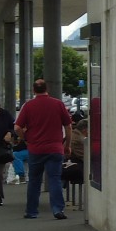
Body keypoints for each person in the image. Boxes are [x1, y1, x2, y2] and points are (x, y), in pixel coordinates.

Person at [14, 78, 73, 220]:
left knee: (34, 180)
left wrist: (25, 138)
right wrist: (67, 145)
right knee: (54, 179)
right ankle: (58, 209)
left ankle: (31, 211)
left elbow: (17, 128)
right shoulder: (58, 104)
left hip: (36, 149)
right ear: (47, 89)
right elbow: (68, 126)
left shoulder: (28, 106)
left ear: (34, 90)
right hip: (55, 148)